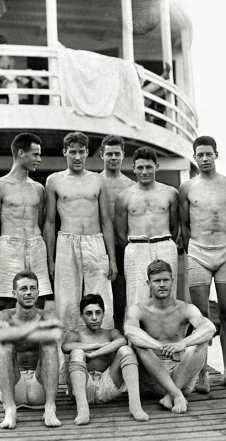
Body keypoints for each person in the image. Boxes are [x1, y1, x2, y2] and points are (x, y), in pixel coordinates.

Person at [179, 135, 226, 393]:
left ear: (216, 154)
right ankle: (202, 372)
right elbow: (184, 224)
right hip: (198, 252)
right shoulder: (187, 188)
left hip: (225, 251)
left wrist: (224, 241)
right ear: (194, 158)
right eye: (200, 155)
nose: (204, 159)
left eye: (208, 154)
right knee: (201, 317)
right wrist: (192, 249)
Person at [44, 131, 117, 334]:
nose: (77, 157)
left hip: (95, 242)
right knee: (67, 300)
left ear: (87, 153)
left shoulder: (97, 180)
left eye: (81, 152)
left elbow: (106, 220)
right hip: (66, 242)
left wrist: (111, 258)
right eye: (72, 152)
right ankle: (68, 355)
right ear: (65, 153)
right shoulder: (54, 180)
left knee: (101, 296)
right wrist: (50, 259)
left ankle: (103, 351)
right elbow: (50, 222)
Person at [125, 260, 215, 414]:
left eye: (165, 280)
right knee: (138, 344)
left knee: (201, 342)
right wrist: (159, 346)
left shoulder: (185, 308)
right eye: (157, 281)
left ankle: (173, 393)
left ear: (172, 281)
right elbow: (129, 331)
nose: (162, 285)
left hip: (180, 374)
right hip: (151, 379)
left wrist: (182, 344)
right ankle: (175, 394)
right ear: (149, 283)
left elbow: (209, 327)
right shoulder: (139, 309)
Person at [0, 133, 52, 311]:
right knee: (7, 302)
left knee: (38, 303)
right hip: (9, 246)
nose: (39, 159)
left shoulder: (38, 189)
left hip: (35, 244)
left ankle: (35, 339)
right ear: (21, 153)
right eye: (35, 154)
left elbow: (40, 224)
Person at [62, 293, 148, 425]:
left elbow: (122, 341)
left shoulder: (110, 333)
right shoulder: (76, 335)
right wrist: (94, 346)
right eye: (89, 314)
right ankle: (83, 409)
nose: (94, 318)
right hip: (84, 387)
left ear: (103, 313)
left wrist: (94, 354)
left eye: (98, 312)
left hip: (107, 385)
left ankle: (135, 406)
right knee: (77, 353)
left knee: (126, 350)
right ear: (81, 316)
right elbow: (66, 347)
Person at [0, 271, 62, 429]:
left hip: (41, 386)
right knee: (5, 346)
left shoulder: (48, 315)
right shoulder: (2, 316)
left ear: (38, 292)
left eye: (33, 288)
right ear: (14, 293)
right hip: (12, 386)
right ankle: (10, 410)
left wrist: (15, 333)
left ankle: (50, 408)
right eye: (23, 288)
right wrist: (38, 328)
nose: (29, 292)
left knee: (49, 344)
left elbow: (56, 333)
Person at [116, 146, 179, 308]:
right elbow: (121, 234)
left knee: (167, 297)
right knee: (137, 299)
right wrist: (138, 247)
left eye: (149, 167)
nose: (145, 172)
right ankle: (137, 333)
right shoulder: (124, 197)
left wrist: (162, 243)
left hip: (164, 244)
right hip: (137, 247)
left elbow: (174, 227)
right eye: (140, 167)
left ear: (156, 167)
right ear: (134, 168)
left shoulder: (170, 193)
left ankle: (168, 333)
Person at [99, 135, 135, 332]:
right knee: (97, 301)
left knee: (120, 302)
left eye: (117, 154)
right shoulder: (95, 181)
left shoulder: (130, 185)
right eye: (109, 154)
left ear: (123, 156)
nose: (113, 157)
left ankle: (120, 343)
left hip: (122, 247)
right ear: (102, 155)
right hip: (98, 246)